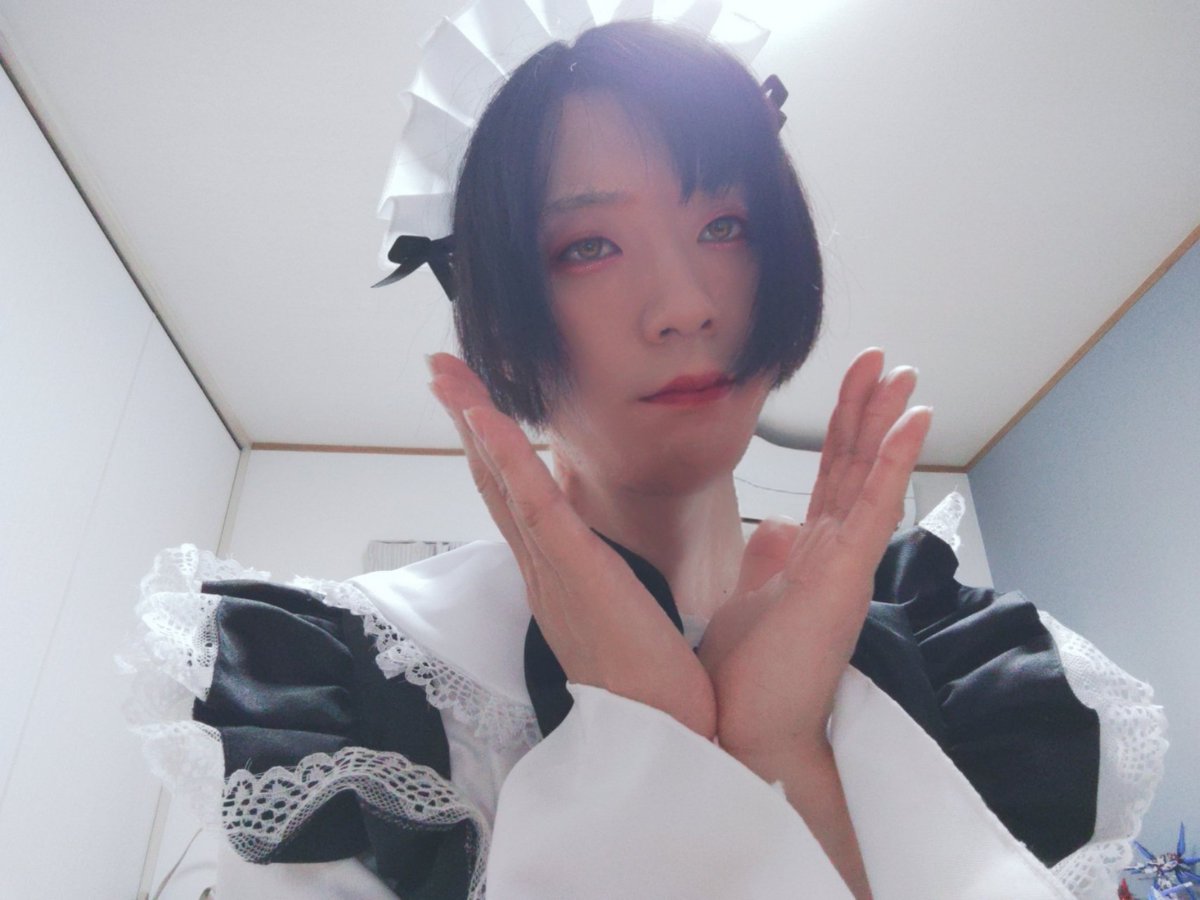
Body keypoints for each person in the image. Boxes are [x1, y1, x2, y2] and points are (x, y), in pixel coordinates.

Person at [127, 17, 1165, 900]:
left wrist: (781, 755)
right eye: (588, 246)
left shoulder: (950, 651)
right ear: (497, 307)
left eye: (725, 224)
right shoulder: (352, 689)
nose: (686, 305)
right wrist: (644, 743)